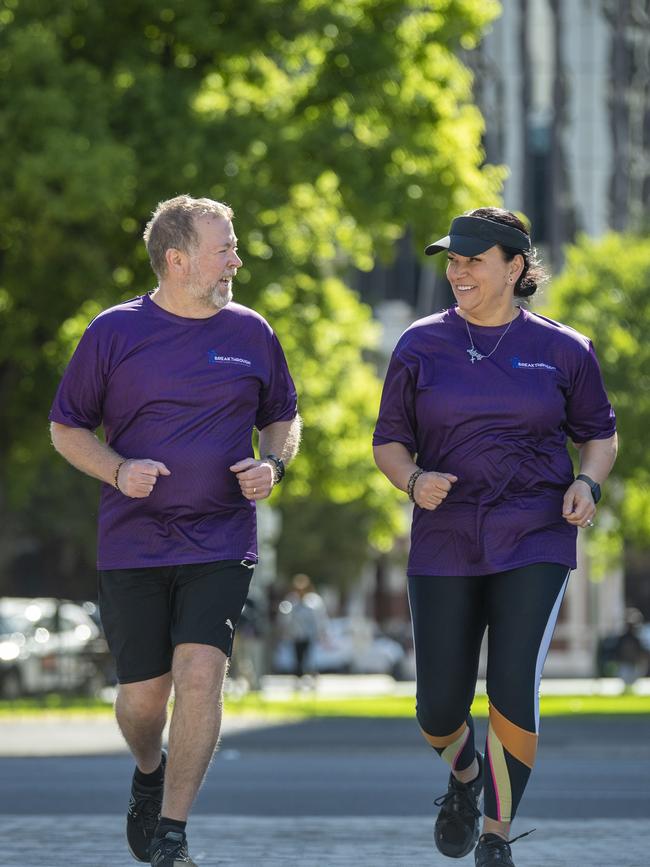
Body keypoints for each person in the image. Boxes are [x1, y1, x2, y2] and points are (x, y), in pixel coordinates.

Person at [49, 195, 301, 867]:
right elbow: (66, 427)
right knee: (140, 700)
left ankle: (172, 834)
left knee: (200, 674)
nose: (237, 259)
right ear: (177, 259)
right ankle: (147, 765)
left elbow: (284, 415)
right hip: (132, 540)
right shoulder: (113, 332)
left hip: (221, 537)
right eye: (225, 248)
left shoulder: (253, 332)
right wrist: (118, 467)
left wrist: (272, 463)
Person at [373, 208, 617, 867]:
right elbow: (389, 440)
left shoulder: (566, 348)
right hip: (445, 537)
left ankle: (496, 835)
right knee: (438, 706)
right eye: (452, 260)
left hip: (534, 533)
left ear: (515, 266)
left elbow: (599, 433)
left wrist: (588, 484)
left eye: (472, 259)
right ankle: (463, 777)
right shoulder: (420, 345)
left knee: (513, 683)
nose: (458, 271)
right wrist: (413, 477)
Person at [278, 573, 328, 682]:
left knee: (310, 658)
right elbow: (285, 618)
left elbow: (320, 618)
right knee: (297, 658)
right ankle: (298, 678)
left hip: (310, 635)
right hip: (296, 635)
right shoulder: (291, 601)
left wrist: (322, 633)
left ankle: (311, 676)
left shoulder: (314, 601)